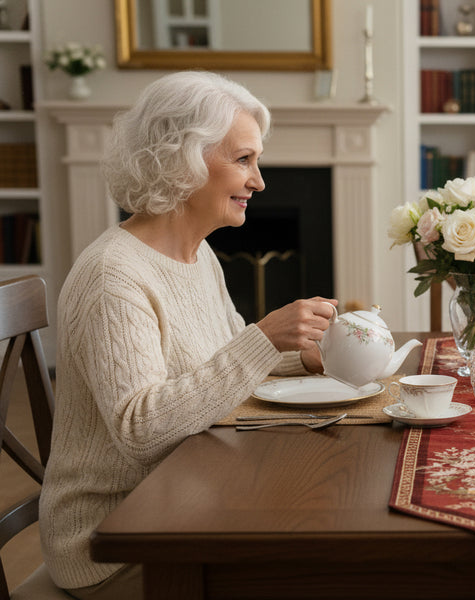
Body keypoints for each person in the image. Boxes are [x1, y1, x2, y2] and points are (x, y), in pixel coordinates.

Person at [39, 71, 338, 599]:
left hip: (185, 501)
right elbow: (141, 430)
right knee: (315, 568)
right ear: (183, 159)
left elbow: (219, 365)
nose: (260, 181)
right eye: (244, 160)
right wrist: (265, 337)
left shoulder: (197, 255)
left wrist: (308, 356)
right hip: (115, 542)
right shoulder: (114, 275)